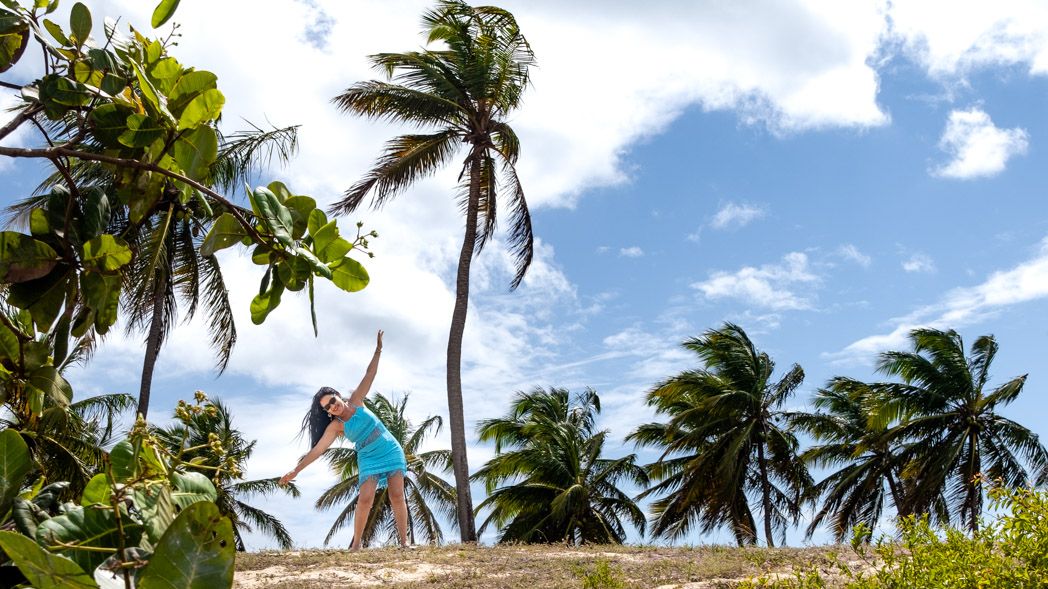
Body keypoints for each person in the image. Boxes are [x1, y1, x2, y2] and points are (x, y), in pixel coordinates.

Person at [279, 330, 410, 549]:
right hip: (368, 457)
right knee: (365, 498)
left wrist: (378, 349)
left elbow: (370, 374)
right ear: (328, 412)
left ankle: (404, 543)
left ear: (338, 395)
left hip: (389, 449)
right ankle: (356, 544)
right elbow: (317, 450)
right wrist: (296, 471)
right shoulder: (335, 426)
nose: (332, 406)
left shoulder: (357, 401)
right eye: (328, 407)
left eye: (332, 400)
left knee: (397, 496)